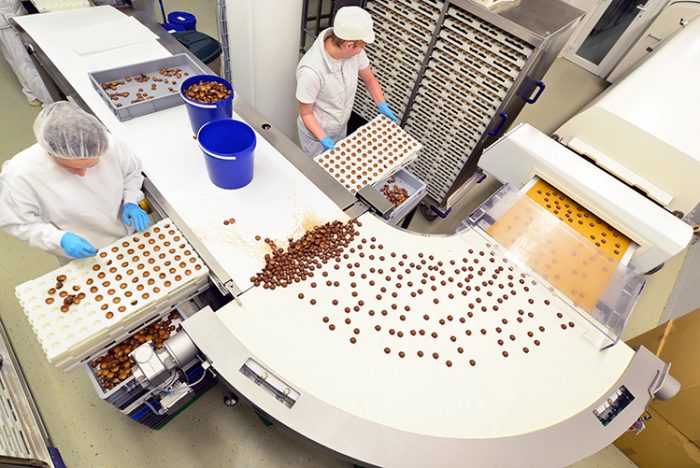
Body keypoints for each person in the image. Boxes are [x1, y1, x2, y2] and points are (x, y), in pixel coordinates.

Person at [0, 101, 150, 261]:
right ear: (50, 153)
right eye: (72, 168)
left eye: (91, 165)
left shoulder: (107, 144)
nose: (83, 173)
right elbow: (17, 222)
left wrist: (130, 201)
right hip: (79, 250)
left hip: (128, 235)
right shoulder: (21, 174)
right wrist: (59, 239)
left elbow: (132, 172)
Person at [296, 6, 398, 157]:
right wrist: (323, 138)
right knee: (317, 173)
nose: (362, 49)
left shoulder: (354, 51)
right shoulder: (311, 71)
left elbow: (369, 78)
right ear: (349, 45)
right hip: (316, 136)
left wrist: (381, 104)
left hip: (339, 127)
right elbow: (306, 114)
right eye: (362, 46)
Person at [0, 0, 53, 106]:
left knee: (15, 59)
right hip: (8, 18)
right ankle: (49, 102)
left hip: (7, 18)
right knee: (27, 63)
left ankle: (31, 93)